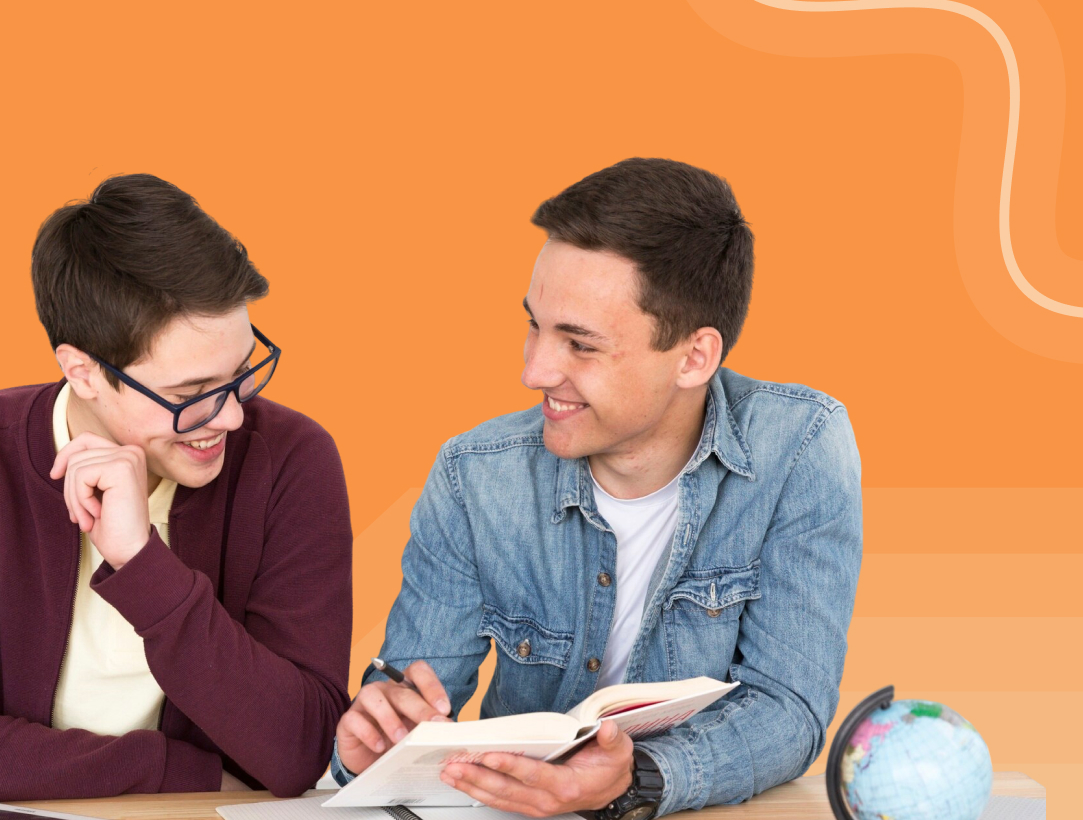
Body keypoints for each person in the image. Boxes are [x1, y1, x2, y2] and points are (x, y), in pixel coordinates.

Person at [332, 158, 862, 818]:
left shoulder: (800, 447)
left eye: (578, 344)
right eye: (533, 324)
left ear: (694, 357)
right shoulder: (472, 476)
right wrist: (372, 744)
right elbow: (413, 703)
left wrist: (634, 778)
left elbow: (789, 708)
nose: (533, 370)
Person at [0, 174, 353, 800]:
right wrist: (170, 771)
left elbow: (297, 749)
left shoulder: (291, 459)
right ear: (84, 372)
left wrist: (143, 565)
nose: (230, 415)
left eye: (240, 374)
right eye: (190, 395)